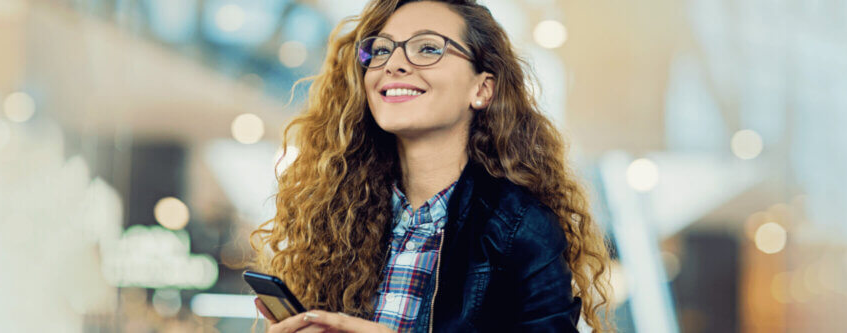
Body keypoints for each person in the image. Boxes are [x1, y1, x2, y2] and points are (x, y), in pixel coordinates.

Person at [250, 0, 613, 332]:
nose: (393, 63)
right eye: (380, 50)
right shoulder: (337, 214)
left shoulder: (522, 228)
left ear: (482, 89)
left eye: (428, 48)